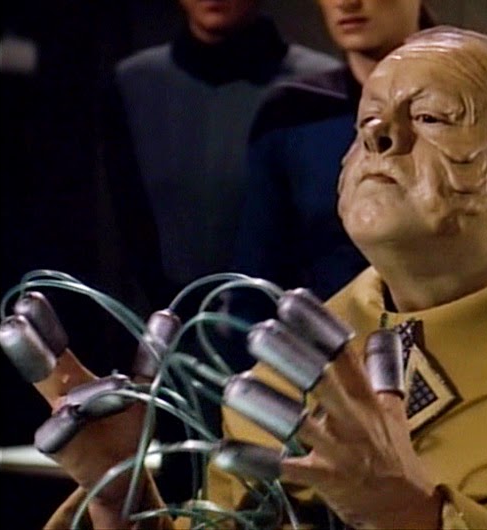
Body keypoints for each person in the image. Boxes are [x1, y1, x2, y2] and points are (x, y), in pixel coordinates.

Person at [4, 26, 487, 529]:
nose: (380, 138)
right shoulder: (275, 383)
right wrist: (122, 501)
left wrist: (409, 515)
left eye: (430, 118)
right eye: (367, 124)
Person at [101, 0, 340, 503]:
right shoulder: (134, 83)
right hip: (171, 353)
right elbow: (120, 229)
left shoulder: (318, 88)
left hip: (289, 352)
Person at [231, 0, 487, 305]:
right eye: (367, 120)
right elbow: (254, 283)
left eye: (430, 117)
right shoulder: (294, 113)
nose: (347, 2)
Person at [103, 0, 340, 313]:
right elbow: (125, 224)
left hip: (289, 320)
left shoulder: (321, 87)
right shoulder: (133, 83)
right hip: (166, 321)